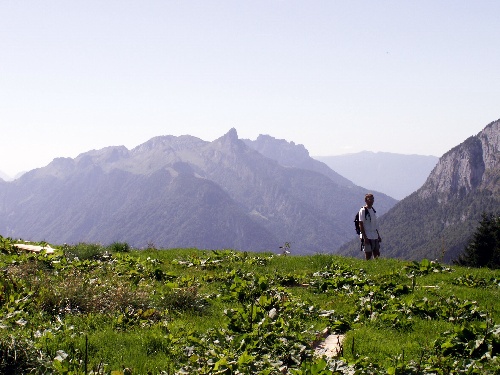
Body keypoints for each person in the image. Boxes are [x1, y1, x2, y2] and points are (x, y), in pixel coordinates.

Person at [359, 193, 382, 260]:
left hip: (374, 235)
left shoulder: (373, 210)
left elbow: (374, 225)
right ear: (366, 200)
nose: (371, 201)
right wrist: (365, 237)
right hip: (367, 235)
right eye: (370, 199)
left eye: (372, 199)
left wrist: (378, 235)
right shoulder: (363, 210)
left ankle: (376, 267)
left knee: (377, 253)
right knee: (368, 254)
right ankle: (368, 267)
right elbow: (361, 224)